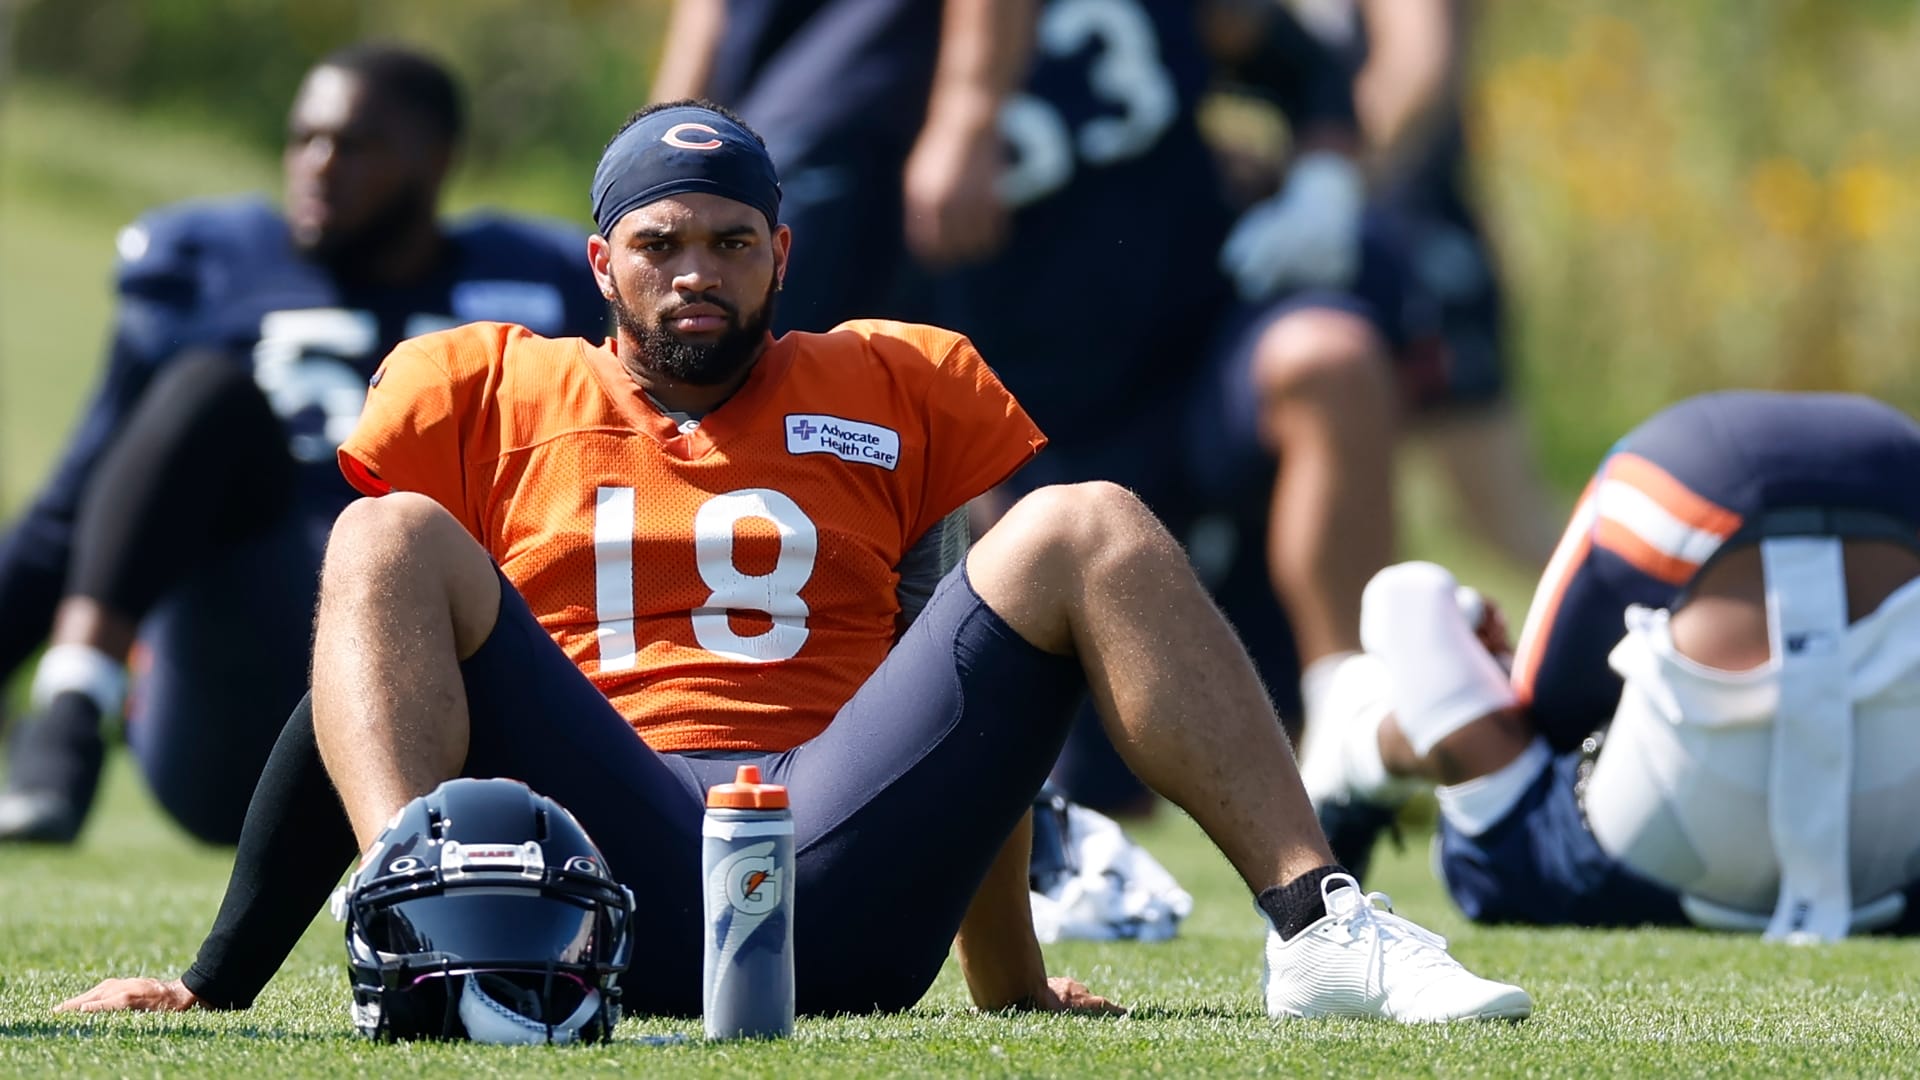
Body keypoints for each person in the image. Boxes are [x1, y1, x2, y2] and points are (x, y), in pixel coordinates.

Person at [55, 101, 1530, 1024]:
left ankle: (1319, 925)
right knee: (382, 538)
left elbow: (971, 702)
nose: (694, 271)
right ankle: (417, 920)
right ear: (601, 265)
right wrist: (217, 977)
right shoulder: (480, 384)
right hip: (577, 876)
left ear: (782, 256)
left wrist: (1007, 978)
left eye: (730, 242)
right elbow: (351, 681)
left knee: (1082, 524)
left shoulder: (902, 378)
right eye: (660, 242)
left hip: (836, 850)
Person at [0, 43, 609, 844]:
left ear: (436, 161)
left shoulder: (541, 282)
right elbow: (80, 503)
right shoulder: (210, 266)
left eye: (354, 146)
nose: (317, 166)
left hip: (442, 673)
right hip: (245, 675)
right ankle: (71, 717)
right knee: (202, 393)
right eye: (304, 140)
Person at [1305, 391, 1920, 940]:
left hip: (1683, 465)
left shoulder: (1663, 466)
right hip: (1894, 863)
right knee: (1515, 821)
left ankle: (1367, 743)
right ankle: (1400, 706)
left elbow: (1548, 698)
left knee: (1501, 855)